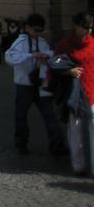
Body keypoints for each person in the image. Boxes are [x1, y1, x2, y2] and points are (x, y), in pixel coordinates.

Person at [4, 12, 66, 155]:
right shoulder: (20, 42)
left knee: (49, 114)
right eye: (35, 30)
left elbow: (51, 56)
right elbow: (10, 58)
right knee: (21, 115)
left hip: (41, 83)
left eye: (40, 30)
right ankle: (21, 144)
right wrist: (31, 55)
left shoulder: (42, 42)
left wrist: (47, 57)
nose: (37, 33)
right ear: (27, 27)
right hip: (24, 85)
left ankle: (57, 145)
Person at [55, 12, 94, 175]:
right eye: (85, 27)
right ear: (76, 26)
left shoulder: (93, 44)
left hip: (92, 90)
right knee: (75, 128)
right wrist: (67, 71)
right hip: (75, 93)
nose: (88, 31)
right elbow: (54, 65)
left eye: (90, 28)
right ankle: (77, 164)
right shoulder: (65, 45)